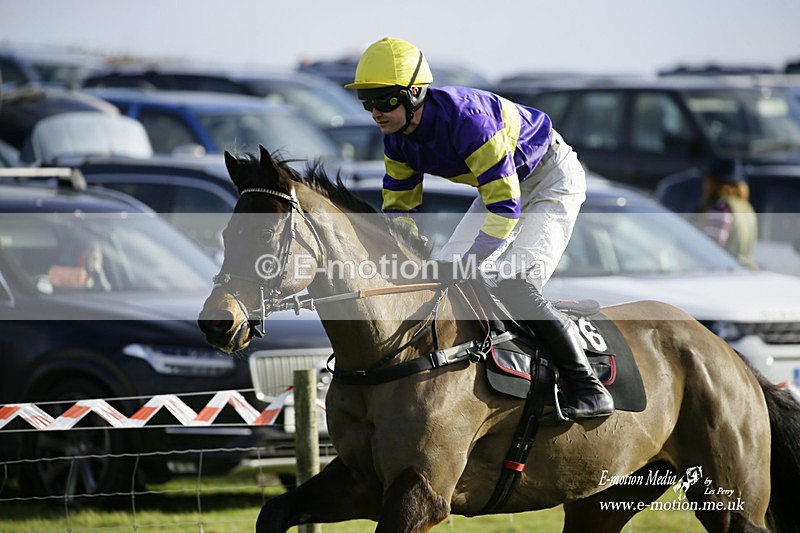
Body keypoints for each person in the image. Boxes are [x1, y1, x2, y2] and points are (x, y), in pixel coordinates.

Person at [345, 37, 613, 420]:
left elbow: (505, 208)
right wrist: (401, 257)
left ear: (414, 93)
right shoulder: (397, 140)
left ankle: (588, 387)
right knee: (443, 280)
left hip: (551, 177)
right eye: (366, 102)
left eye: (384, 101)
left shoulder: (469, 121)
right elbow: (401, 210)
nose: (375, 113)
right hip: (504, 185)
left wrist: (470, 261)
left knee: (515, 283)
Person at [694, 158, 758, 269]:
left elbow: (712, 248)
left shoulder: (722, 207)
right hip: (745, 271)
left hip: (726, 272)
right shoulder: (746, 207)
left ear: (712, 181)